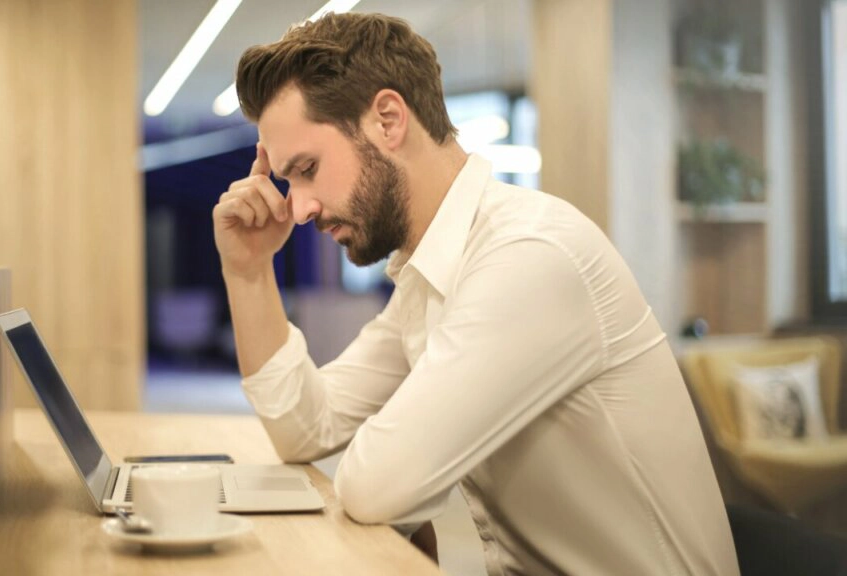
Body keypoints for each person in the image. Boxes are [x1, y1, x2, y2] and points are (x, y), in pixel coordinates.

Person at [212, 12, 739, 576]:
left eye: (308, 169)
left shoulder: (529, 257)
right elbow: (305, 428)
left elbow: (376, 486)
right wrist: (248, 271)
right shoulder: (429, 272)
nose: (299, 207)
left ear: (388, 121)